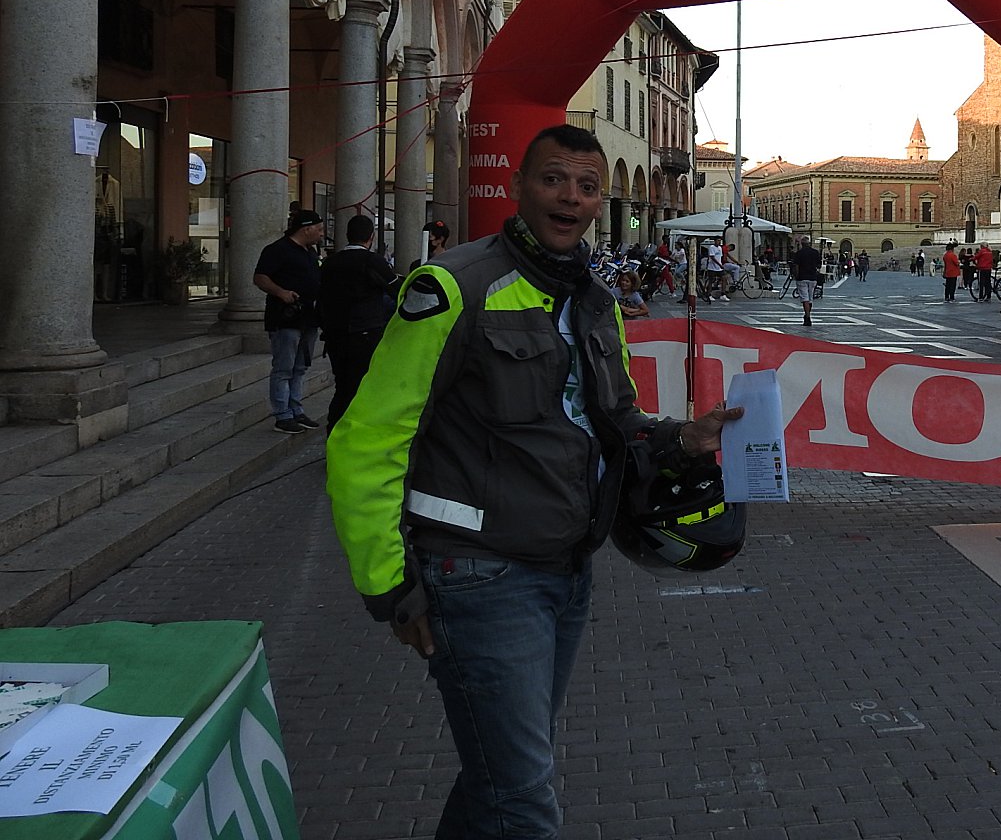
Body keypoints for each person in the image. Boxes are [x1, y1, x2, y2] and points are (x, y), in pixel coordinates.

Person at [325, 124, 743, 838]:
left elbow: (613, 420)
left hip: (567, 572)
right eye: (553, 179)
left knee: (501, 775)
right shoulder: (451, 287)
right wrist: (389, 587)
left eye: (587, 186)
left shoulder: (597, 300)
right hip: (477, 576)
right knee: (522, 799)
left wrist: (682, 439)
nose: (570, 197)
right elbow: (366, 441)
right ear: (519, 187)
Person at [318, 214, 401, 430]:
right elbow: (396, 289)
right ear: (371, 237)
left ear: (347, 235)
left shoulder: (330, 262)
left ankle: (334, 430)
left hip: (335, 334)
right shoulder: (372, 261)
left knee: (342, 386)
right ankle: (357, 431)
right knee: (363, 385)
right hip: (364, 331)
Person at [253, 208, 324, 433]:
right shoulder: (277, 250)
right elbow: (260, 277)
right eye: (319, 229)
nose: (321, 233)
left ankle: (296, 410)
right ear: (306, 229)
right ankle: (282, 414)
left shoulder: (310, 252)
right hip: (285, 319)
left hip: (309, 318)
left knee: (300, 367)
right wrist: (281, 292)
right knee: (284, 368)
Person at [791, 234, 824, 326]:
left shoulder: (799, 253)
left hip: (802, 277)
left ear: (802, 244)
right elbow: (819, 265)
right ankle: (807, 315)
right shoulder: (815, 252)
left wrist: (796, 275)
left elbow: (796, 266)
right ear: (809, 243)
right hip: (813, 277)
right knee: (810, 298)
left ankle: (808, 317)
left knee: (805, 299)